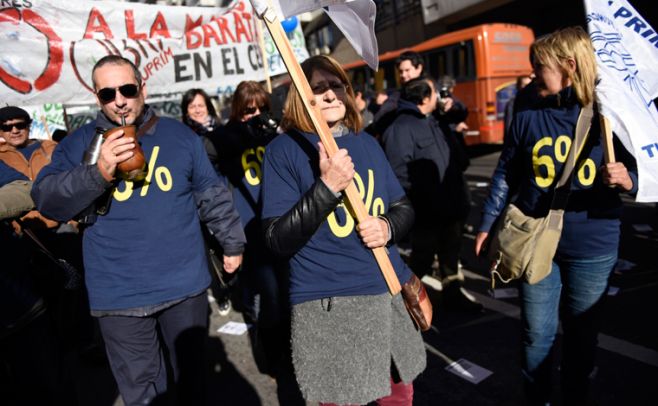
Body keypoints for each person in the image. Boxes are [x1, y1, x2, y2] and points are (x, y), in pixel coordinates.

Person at [32, 55, 246, 406]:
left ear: (142, 89)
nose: (119, 100)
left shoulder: (179, 136)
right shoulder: (80, 144)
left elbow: (211, 194)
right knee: (144, 395)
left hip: (183, 287)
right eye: (107, 94)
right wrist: (98, 172)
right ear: (96, 96)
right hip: (118, 295)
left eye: (127, 89)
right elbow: (47, 200)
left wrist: (232, 243)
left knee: (193, 385)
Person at [474, 27, 638, 406]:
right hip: (534, 240)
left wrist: (628, 179)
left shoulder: (609, 114)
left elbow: (648, 167)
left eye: (539, 66)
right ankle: (538, 399)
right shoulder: (528, 110)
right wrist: (487, 222)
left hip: (593, 243)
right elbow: (506, 171)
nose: (531, 73)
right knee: (536, 333)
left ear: (569, 66)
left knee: (582, 334)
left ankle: (575, 395)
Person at [261, 55, 426, 405]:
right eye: (318, 88)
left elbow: (403, 207)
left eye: (337, 85)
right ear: (300, 96)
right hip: (330, 306)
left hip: (387, 293)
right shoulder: (283, 150)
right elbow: (277, 239)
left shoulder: (366, 142)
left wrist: (386, 226)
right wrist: (327, 187)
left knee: (399, 398)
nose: (331, 95)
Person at [208, 80, 288, 375]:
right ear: (238, 111)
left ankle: (283, 348)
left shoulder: (272, 135)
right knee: (266, 298)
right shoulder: (228, 138)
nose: (256, 116)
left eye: (262, 109)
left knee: (286, 295)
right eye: (249, 110)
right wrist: (246, 131)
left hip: (279, 225)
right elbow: (213, 149)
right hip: (249, 231)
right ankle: (270, 356)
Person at [382, 77, 481, 313]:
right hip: (428, 211)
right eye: (435, 92)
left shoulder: (434, 119)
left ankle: (453, 297)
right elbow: (397, 173)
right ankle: (402, 304)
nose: (438, 96)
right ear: (425, 98)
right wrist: (422, 198)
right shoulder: (401, 127)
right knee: (422, 260)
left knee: (450, 256)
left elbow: (460, 113)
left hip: (451, 205)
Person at [368, 51, 425, 137]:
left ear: (419, 68)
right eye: (401, 71)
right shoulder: (397, 96)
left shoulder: (433, 90)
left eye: (407, 70)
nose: (403, 75)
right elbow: (379, 120)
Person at [503, 74, 533, 140]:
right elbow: (509, 127)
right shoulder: (512, 104)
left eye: (529, 84)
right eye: (524, 85)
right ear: (518, 87)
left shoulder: (534, 102)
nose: (527, 87)